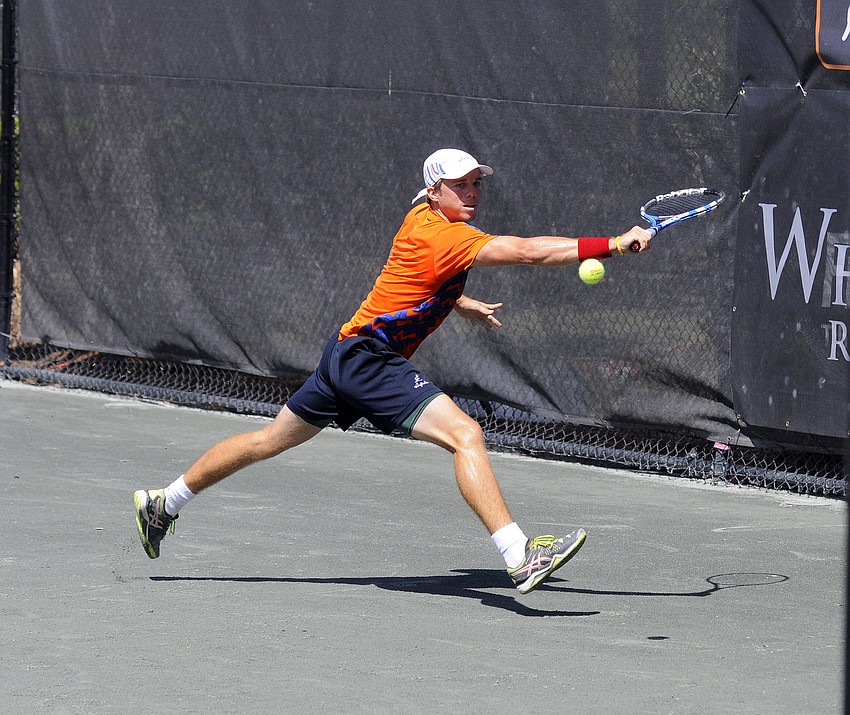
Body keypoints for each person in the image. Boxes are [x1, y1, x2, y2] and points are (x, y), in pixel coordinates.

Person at [133, 148, 652, 595]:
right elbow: (527, 253)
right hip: (369, 359)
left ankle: (164, 502)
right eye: (460, 185)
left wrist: (458, 302)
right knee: (466, 435)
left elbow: (416, 280)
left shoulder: (422, 220)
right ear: (434, 190)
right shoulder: (446, 236)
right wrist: (611, 243)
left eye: (476, 184)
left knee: (267, 440)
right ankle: (521, 556)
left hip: (345, 353)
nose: (472, 193)